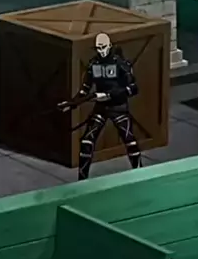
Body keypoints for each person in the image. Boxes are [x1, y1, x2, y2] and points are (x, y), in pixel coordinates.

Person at [58, 32, 142, 180]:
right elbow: (85, 90)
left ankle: (140, 173)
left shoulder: (120, 64)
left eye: (103, 47)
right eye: (98, 48)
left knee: (130, 141)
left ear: (109, 46)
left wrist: (111, 95)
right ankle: (82, 180)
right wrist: (71, 104)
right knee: (86, 141)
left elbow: (133, 88)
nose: (101, 51)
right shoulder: (94, 64)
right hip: (101, 108)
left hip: (118, 107)